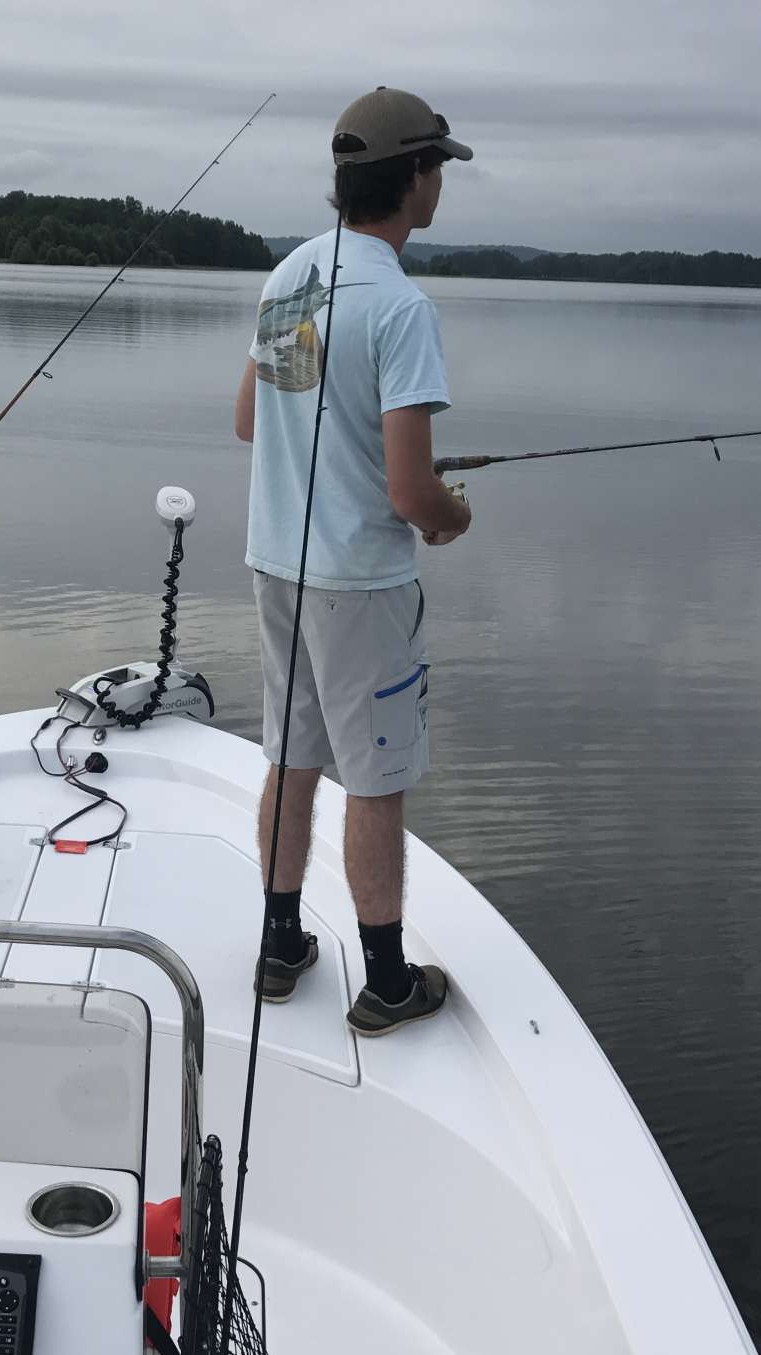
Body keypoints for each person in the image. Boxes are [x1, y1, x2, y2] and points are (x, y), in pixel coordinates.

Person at [234, 88, 474, 1037]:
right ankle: (385, 980)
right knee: (376, 778)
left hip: (275, 569)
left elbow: (255, 420)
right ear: (414, 177)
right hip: (361, 586)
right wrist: (452, 517)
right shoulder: (401, 307)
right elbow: (413, 498)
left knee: (291, 757)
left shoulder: (290, 277)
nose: (441, 180)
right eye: (439, 166)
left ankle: (280, 943)